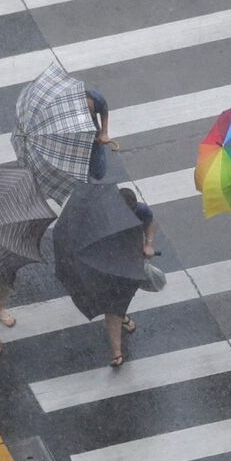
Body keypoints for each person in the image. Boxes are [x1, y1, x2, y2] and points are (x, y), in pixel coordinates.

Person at [104, 188, 156, 367]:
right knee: (112, 307)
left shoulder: (141, 210)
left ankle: (122, 314)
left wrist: (149, 244)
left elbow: (149, 222)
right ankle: (116, 351)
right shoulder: (106, 216)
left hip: (131, 261)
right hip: (109, 264)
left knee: (120, 300)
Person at [85, 89, 114, 181]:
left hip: (94, 136)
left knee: (99, 173)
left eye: (90, 111)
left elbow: (104, 109)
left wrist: (104, 133)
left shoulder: (96, 98)